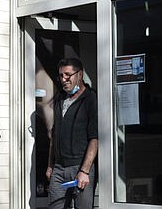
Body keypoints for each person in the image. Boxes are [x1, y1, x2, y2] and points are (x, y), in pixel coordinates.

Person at [46, 58, 98, 209]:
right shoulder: (60, 99)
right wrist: (50, 166)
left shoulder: (91, 99)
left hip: (80, 168)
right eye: (61, 75)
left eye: (68, 75)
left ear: (79, 75)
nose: (64, 79)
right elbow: (54, 135)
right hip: (59, 168)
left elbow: (95, 138)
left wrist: (84, 171)